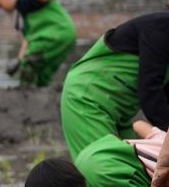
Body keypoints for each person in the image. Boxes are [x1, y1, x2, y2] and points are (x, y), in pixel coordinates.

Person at [61, 11, 169, 159]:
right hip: (87, 98)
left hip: (119, 112)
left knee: (135, 168)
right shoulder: (161, 28)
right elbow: (150, 89)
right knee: (104, 167)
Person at [0, 0, 77, 87]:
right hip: (64, 35)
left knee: (29, 64)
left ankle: (24, 92)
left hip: (53, 36)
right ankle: (43, 91)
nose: (2, 9)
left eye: (0, 5)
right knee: (43, 70)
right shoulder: (24, 10)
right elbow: (28, 38)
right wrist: (19, 61)